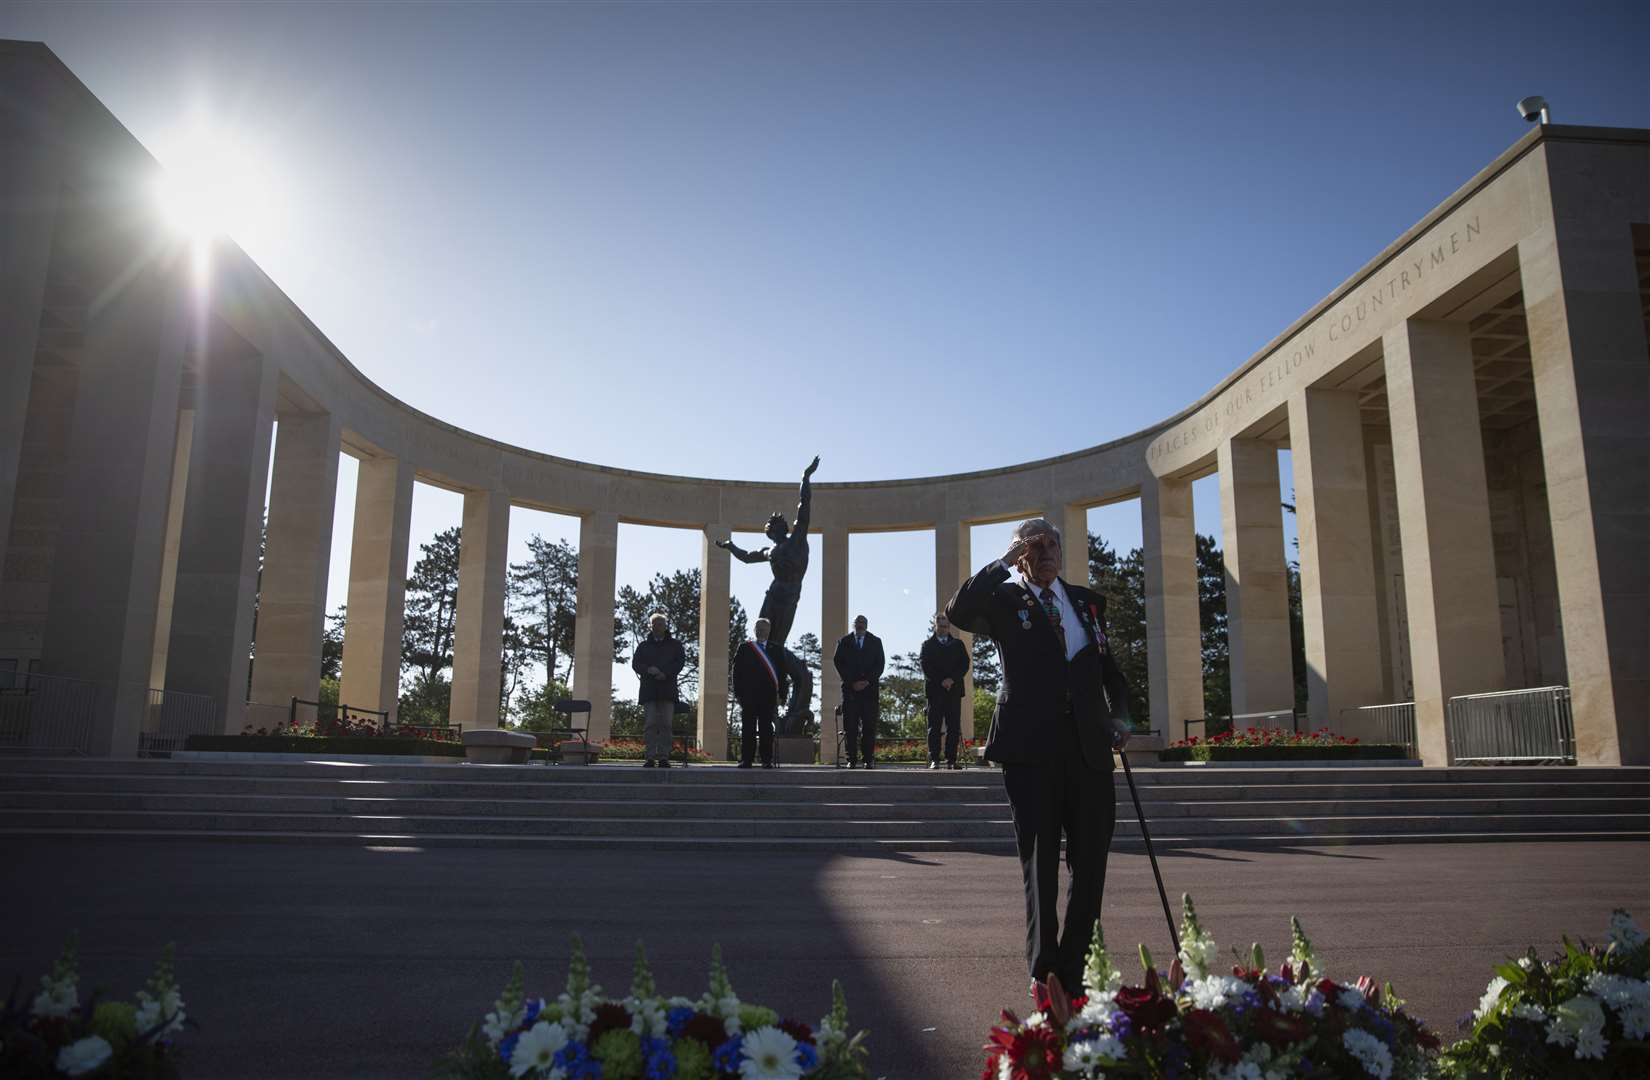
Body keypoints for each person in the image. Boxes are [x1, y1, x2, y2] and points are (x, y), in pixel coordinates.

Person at [945, 517, 1132, 1013]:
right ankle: (1043, 971)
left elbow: (1110, 671)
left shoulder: (1088, 603)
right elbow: (959, 609)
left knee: (1091, 861)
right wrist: (1004, 561)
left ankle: (1074, 969)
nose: (1046, 551)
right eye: (1034, 545)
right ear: (1020, 552)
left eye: (1052, 543)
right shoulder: (1005, 600)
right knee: (1040, 862)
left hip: (1090, 749)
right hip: (1030, 750)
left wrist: (1122, 716)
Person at [631, 612, 685, 769]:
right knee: (650, 724)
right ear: (650, 626)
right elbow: (635, 664)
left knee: (666, 724)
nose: (657, 627)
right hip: (649, 691)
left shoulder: (675, 645)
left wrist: (665, 673)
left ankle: (663, 757)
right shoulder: (643, 646)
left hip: (668, 690)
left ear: (665, 626)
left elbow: (680, 662)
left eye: (661, 624)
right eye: (654, 624)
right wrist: (649, 670)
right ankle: (649, 757)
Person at [832, 615, 884, 768]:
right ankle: (851, 759)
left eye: (863, 623)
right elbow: (838, 662)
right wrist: (851, 682)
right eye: (858, 623)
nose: (860, 625)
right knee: (851, 727)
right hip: (850, 692)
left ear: (867, 625)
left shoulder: (876, 641)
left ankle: (868, 759)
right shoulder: (844, 642)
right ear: (853, 625)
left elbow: (880, 664)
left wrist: (867, 681)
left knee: (869, 727)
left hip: (870, 692)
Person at [920, 612, 970, 770]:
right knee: (934, 727)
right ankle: (934, 758)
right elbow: (925, 666)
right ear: (936, 626)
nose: (944, 629)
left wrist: (951, 679)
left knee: (953, 726)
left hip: (953, 691)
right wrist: (941, 680)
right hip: (935, 691)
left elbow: (964, 664)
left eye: (946, 626)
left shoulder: (958, 644)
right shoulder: (927, 645)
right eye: (941, 626)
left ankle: (951, 760)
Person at [732, 618, 781, 769]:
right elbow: (736, 672)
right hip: (748, 696)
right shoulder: (745, 648)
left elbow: (782, 674)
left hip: (768, 697)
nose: (761, 630)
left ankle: (767, 760)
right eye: (758, 628)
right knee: (748, 729)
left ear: (769, 631)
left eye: (764, 628)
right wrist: (738, 693)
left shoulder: (776, 649)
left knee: (766, 729)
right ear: (754, 630)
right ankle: (746, 759)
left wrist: (782, 694)